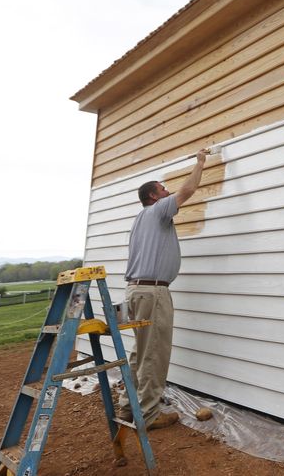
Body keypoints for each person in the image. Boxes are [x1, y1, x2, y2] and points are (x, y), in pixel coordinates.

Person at [117, 148, 210, 430]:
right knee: (154, 353)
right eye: (163, 189)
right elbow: (188, 190)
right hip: (152, 294)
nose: (168, 191)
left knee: (140, 354)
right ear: (154, 197)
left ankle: (126, 407)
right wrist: (201, 162)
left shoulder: (139, 220)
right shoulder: (158, 211)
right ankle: (148, 415)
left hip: (135, 293)